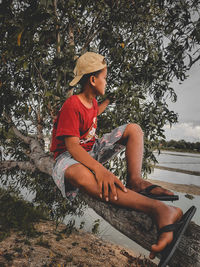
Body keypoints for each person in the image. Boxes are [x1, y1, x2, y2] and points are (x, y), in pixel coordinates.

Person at [50, 52, 196, 266]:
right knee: (81, 174)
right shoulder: (72, 104)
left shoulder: (91, 102)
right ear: (93, 79)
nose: (106, 81)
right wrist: (100, 170)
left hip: (91, 150)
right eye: (105, 77)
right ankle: (160, 210)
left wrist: (109, 100)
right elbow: (72, 146)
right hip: (67, 156)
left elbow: (94, 112)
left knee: (134, 129)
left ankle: (135, 182)